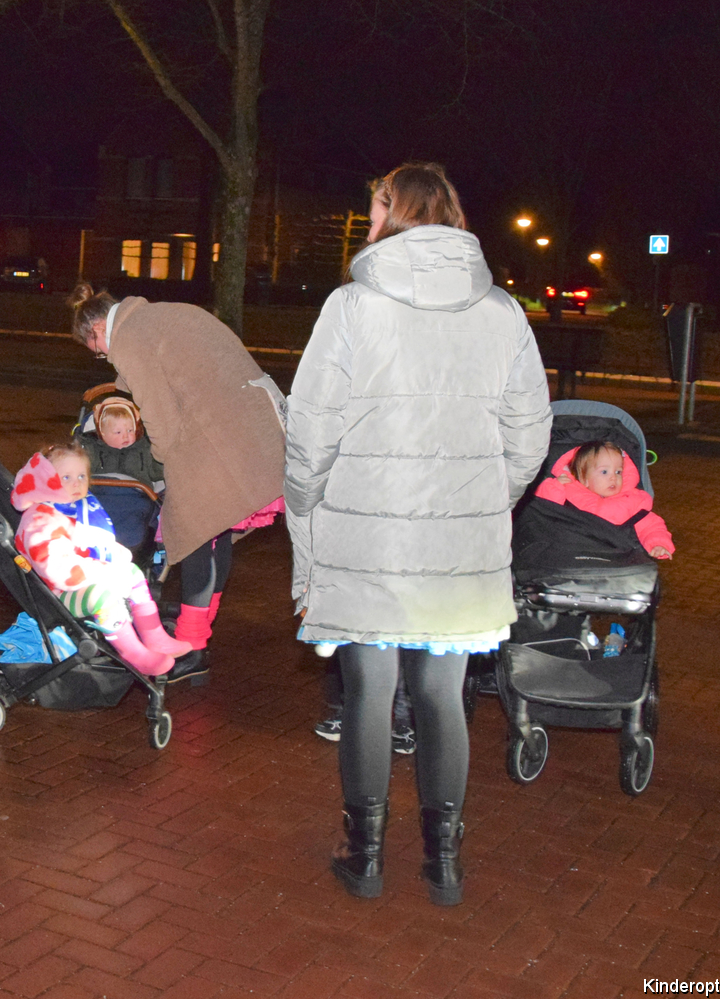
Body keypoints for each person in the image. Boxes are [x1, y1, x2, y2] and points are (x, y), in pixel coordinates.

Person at [284, 162, 551, 905]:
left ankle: (365, 853)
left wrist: (305, 502)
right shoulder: (501, 311)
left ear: (395, 212)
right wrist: (486, 499)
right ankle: (444, 860)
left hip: (367, 534)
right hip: (461, 542)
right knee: (441, 691)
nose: (367, 223)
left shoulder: (352, 306)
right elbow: (531, 433)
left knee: (369, 690)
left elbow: (311, 428)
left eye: (375, 208)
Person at [66, 283, 286, 684]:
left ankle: (192, 648)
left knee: (195, 536)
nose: (104, 356)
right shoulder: (159, 315)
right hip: (251, 432)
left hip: (221, 438)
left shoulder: (130, 337)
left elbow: (160, 416)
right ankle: (196, 637)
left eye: (97, 350)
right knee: (215, 538)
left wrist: (161, 465)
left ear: (97, 329)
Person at [10, 445, 192, 673]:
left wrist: (115, 556)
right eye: (66, 477)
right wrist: (106, 571)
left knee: (133, 573)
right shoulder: (41, 520)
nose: (76, 483)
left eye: (81, 476)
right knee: (102, 597)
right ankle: (133, 653)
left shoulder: (76, 507)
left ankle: (155, 636)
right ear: (47, 480)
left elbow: (93, 542)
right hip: (58, 592)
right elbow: (58, 570)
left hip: (86, 575)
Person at [533, 441, 674, 559]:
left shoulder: (632, 501)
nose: (613, 477)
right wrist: (553, 487)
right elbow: (543, 512)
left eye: (618, 472)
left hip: (619, 558)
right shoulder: (568, 494)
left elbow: (651, 526)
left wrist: (658, 544)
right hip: (573, 555)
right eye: (604, 472)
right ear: (584, 478)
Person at [76, 388, 163, 490]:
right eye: (118, 432)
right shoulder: (93, 449)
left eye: (130, 430)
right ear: (103, 433)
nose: (125, 436)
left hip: (137, 495)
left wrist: (160, 454)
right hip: (102, 494)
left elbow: (158, 473)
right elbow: (80, 472)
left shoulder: (143, 449)